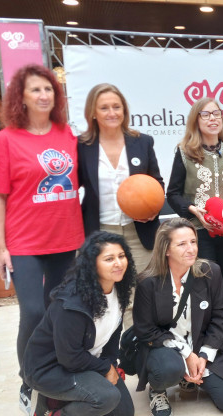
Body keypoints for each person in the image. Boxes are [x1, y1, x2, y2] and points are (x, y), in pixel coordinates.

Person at [0, 64, 84, 415]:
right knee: (33, 310)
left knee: (59, 311)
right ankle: (29, 377)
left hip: (66, 239)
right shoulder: (8, 139)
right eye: (35, 90)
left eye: (48, 89)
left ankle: (51, 370)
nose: (44, 95)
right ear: (21, 98)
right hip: (24, 242)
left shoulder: (66, 134)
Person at [22, 232, 136, 416]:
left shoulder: (117, 289)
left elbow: (113, 336)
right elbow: (68, 356)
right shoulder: (72, 303)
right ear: (92, 264)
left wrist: (111, 363)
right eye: (109, 258)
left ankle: (51, 403)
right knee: (106, 397)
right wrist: (105, 369)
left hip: (82, 362)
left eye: (121, 256)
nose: (118, 263)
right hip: (49, 368)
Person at [132, 218, 223, 416]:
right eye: (182, 244)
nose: (191, 249)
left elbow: (220, 318)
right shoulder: (147, 283)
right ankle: (158, 389)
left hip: (201, 344)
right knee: (169, 368)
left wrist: (204, 356)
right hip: (164, 347)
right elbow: (145, 330)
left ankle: (192, 377)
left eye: (193, 242)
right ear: (166, 250)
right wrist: (186, 354)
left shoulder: (210, 272)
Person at [167, 97, 223, 367]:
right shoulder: (184, 152)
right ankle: (201, 346)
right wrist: (193, 210)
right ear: (196, 120)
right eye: (206, 115)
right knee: (204, 291)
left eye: (217, 114)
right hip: (200, 233)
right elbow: (173, 194)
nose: (213, 118)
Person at [78, 84, 164, 274]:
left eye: (117, 107)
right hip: (100, 232)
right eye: (104, 108)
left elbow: (156, 182)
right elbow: (72, 186)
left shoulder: (143, 142)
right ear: (93, 112)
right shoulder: (82, 146)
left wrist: (153, 210)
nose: (112, 113)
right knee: (106, 294)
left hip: (140, 233)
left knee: (144, 292)